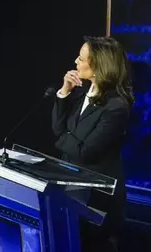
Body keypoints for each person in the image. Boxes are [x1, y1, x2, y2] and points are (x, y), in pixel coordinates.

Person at [52, 36, 133, 252]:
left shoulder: (116, 107)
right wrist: (65, 92)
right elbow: (58, 129)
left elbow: (85, 152)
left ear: (98, 66)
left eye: (81, 58)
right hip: (70, 189)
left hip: (96, 200)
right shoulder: (80, 94)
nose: (75, 62)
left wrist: (62, 137)